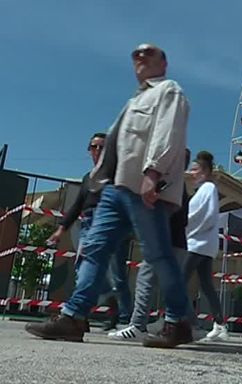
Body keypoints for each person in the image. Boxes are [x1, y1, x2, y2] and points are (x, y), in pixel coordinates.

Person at [25, 43, 191, 348]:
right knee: (94, 250)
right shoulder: (133, 102)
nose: (140, 57)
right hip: (115, 190)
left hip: (143, 190)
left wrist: (153, 174)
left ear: (163, 63)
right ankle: (73, 317)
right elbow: (116, 148)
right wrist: (99, 183)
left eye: (148, 52)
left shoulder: (169, 91)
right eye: (136, 54)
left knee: (157, 256)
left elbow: (169, 133)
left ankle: (178, 321)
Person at [108, 149, 195, 342]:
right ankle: (183, 325)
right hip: (178, 242)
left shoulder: (171, 185)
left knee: (145, 281)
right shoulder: (181, 187)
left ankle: (138, 325)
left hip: (165, 241)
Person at [47, 133, 132, 331]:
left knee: (117, 274)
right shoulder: (88, 178)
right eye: (94, 147)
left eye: (102, 147)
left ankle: (126, 319)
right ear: (89, 150)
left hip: (111, 224)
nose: (98, 151)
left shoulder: (117, 174)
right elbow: (77, 205)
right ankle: (85, 311)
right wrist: (61, 229)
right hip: (88, 224)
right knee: (83, 268)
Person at [184, 151, 228, 341]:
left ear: (204, 172)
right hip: (204, 245)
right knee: (206, 286)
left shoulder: (208, 188)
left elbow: (209, 216)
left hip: (197, 244)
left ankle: (185, 322)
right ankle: (220, 325)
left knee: (178, 281)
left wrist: (187, 230)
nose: (192, 173)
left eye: (195, 170)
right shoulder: (205, 190)